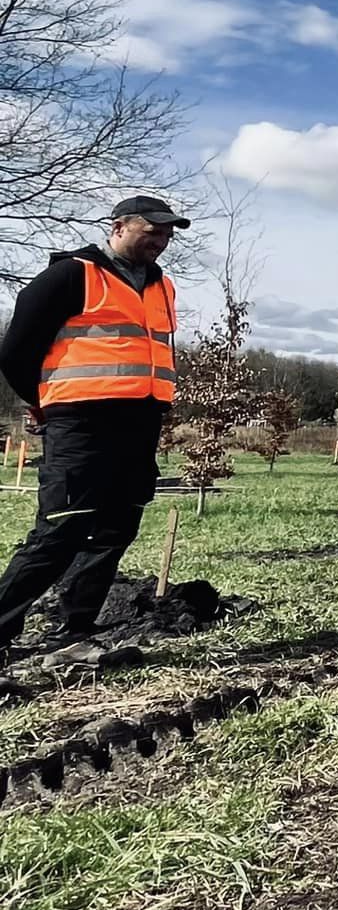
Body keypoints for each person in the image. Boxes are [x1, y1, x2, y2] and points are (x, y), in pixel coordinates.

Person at [0, 196, 189, 666]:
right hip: (81, 422)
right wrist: (44, 404)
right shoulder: (70, 276)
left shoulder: (163, 286)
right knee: (61, 529)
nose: (161, 241)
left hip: (140, 421)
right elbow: (16, 351)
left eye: (167, 234)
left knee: (115, 527)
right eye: (152, 230)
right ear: (118, 227)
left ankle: (73, 630)